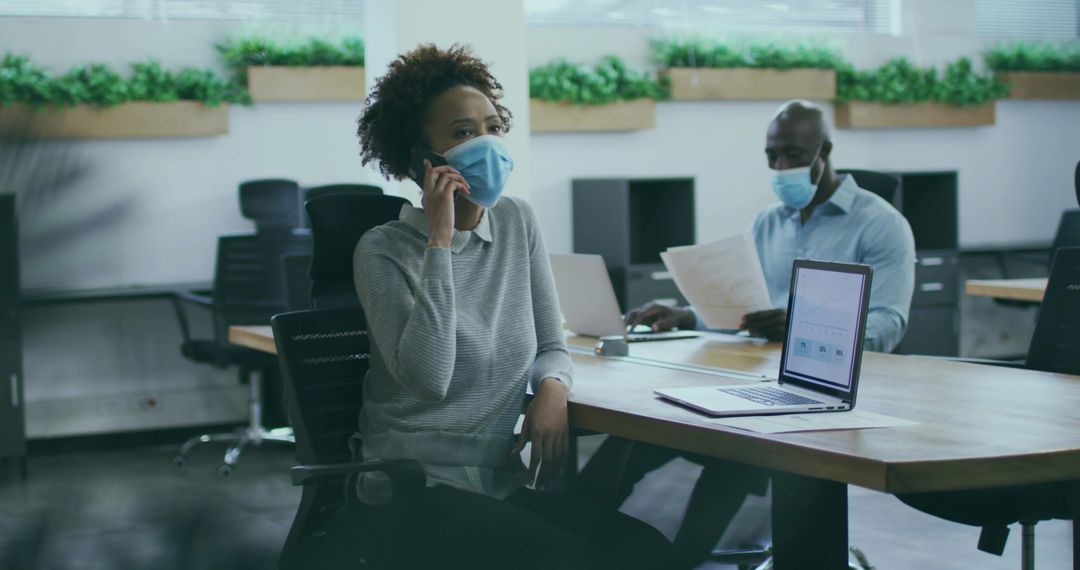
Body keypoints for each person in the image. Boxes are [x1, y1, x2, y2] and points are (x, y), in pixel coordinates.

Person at [351, 44, 673, 570]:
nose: (486, 144)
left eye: (493, 127)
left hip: (497, 482)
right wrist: (439, 241)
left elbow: (552, 344)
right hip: (415, 488)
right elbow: (430, 379)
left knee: (651, 553)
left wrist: (552, 386)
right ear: (420, 160)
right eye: (462, 133)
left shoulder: (517, 222)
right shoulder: (382, 250)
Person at [577, 100, 916, 567]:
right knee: (641, 434)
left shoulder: (881, 225)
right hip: (754, 377)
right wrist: (687, 314)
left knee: (735, 452)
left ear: (826, 151)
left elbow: (888, 325)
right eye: (771, 156)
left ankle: (681, 560)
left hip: (827, 390)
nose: (780, 167)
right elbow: (743, 307)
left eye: (793, 154)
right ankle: (574, 540)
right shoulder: (768, 221)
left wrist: (801, 328)